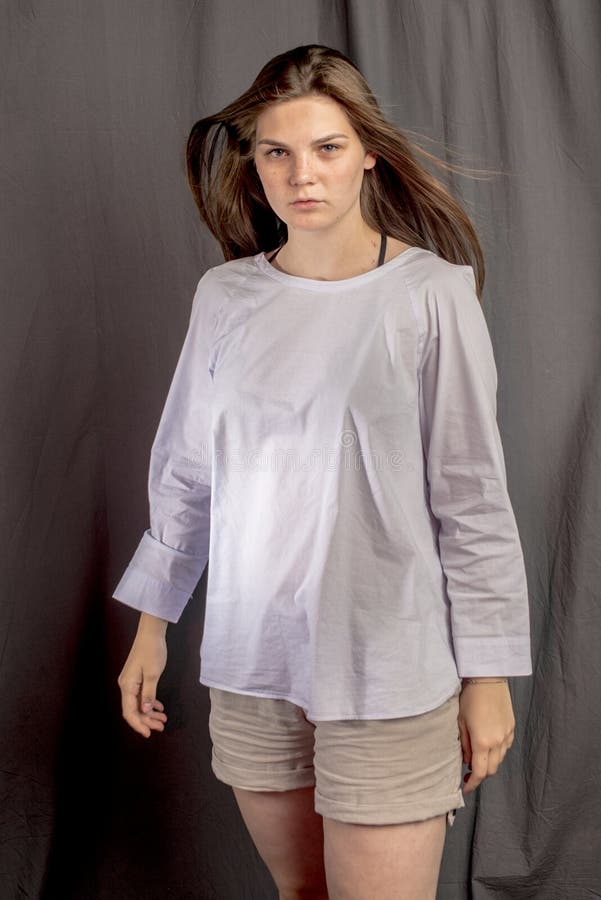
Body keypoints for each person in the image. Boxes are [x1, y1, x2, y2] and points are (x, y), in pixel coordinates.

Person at [113, 44, 532, 900]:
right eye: (277, 152)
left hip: (386, 663)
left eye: (327, 148)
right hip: (251, 661)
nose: (302, 174)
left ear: (368, 152)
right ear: (255, 164)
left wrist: (486, 677)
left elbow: (471, 499)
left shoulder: (429, 295)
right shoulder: (226, 297)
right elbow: (188, 472)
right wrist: (152, 625)